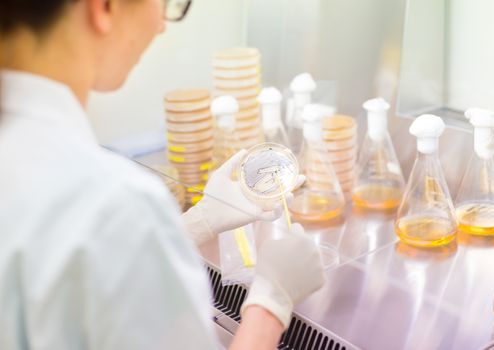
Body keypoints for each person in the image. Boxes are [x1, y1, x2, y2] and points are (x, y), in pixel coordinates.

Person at [0, 0, 325, 349]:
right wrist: (271, 302)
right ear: (103, 7)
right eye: (167, 4)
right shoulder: (115, 202)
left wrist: (198, 221)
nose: (161, 26)